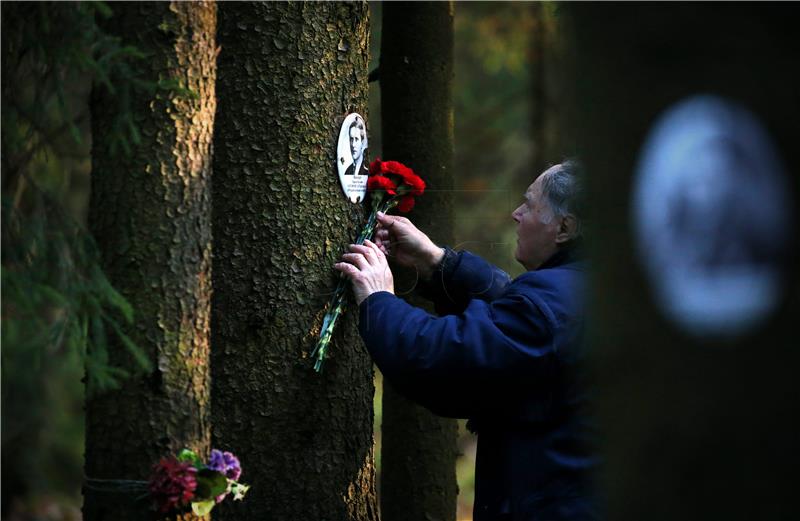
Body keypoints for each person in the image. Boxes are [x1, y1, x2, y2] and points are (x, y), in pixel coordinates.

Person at [335, 160, 599, 521]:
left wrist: (379, 299)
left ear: (564, 228)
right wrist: (440, 263)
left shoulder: (552, 304)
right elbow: (517, 324)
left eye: (530, 204)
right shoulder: (596, 287)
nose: (516, 213)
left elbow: (443, 358)